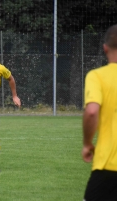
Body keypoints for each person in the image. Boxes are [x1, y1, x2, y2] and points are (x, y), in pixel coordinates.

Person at [81, 25, 117, 201]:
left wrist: (87, 144)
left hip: (108, 166)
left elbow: (92, 111)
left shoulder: (97, 76)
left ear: (105, 48)